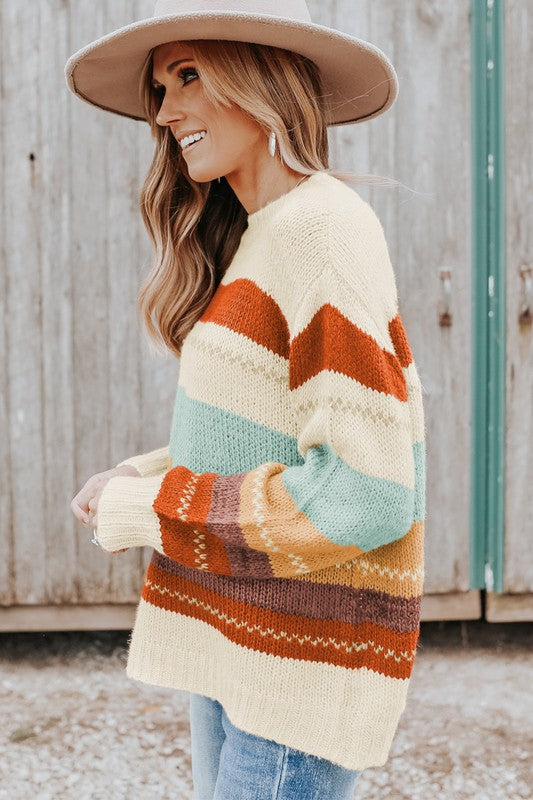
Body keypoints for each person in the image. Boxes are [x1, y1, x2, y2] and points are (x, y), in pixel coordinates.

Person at [67, 1, 426, 798]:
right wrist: (140, 471)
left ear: (262, 79)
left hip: (294, 668)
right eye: (161, 88)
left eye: (189, 75)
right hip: (241, 639)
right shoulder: (261, 234)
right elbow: (265, 433)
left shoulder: (320, 231)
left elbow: (366, 493)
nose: (165, 112)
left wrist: (154, 506)